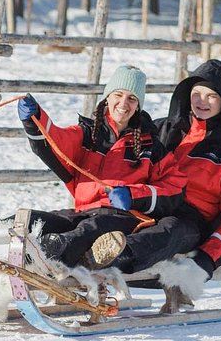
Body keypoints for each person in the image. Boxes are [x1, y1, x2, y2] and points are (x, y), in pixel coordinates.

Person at [85, 58, 221, 292]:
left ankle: (113, 256)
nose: (202, 101)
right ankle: (63, 249)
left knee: (170, 229)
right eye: (197, 93)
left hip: (192, 228)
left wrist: (207, 259)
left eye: (212, 96)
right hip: (146, 208)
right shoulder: (161, 130)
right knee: (103, 219)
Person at [18, 65, 171, 269]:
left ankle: (47, 260)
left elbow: (173, 188)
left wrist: (133, 196)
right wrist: (34, 118)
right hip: (83, 212)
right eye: (118, 95)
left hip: (124, 219)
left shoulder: (150, 146)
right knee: (32, 221)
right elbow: (57, 142)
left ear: (138, 106)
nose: (123, 103)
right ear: (107, 97)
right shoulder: (87, 134)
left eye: (132, 98)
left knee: (90, 229)